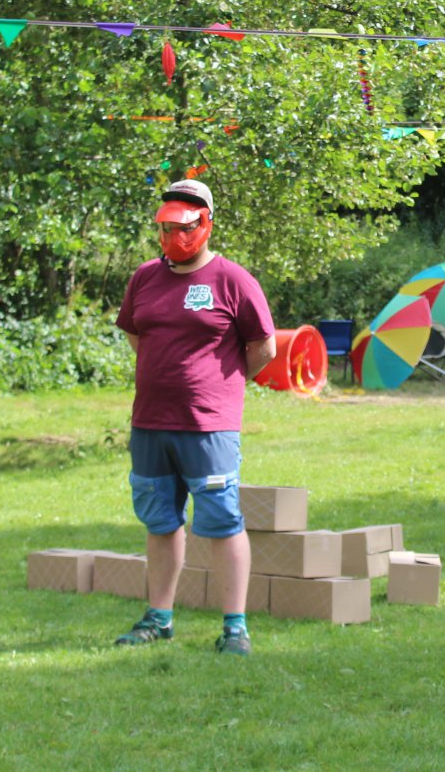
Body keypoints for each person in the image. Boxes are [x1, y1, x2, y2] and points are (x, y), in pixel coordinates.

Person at [113, 178, 276, 656]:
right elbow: (136, 334)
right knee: (160, 520)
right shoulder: (144, 278)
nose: (174, 238)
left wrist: (217, 385)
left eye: (184, 227)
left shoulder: (233, 280)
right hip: (150, 422)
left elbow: (263, 347)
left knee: (221, 520)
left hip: (209, 426)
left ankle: (235, 628)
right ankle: (158, 619)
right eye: (165, 228)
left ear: (206, 223)